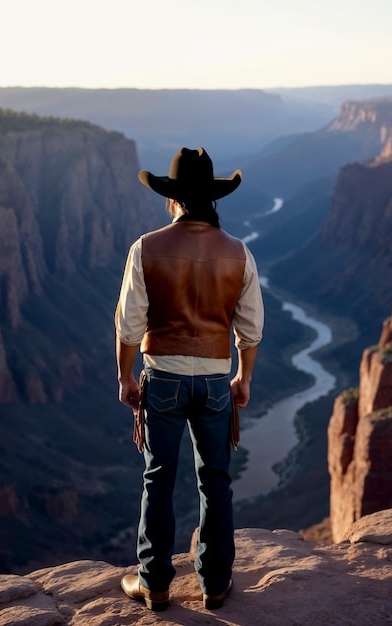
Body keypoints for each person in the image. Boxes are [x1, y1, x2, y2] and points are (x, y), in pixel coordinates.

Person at [115, 147, 263, 611]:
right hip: (217, 383)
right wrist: (243, 379)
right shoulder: (239, 253)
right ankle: (215, 583)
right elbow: (251, 330)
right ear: (213, 200)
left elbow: (128, 327)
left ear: (172, 199)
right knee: (216, 481)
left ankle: (155, 583)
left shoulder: (146, 247)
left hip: (162, 380)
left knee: (158, 478)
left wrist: (125, 378)